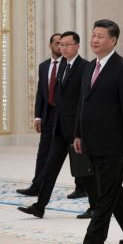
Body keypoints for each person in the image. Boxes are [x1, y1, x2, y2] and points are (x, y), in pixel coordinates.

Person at [73, 19, 123, 244]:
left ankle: (93, 240)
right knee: (111, 188)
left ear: (113, 40)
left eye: (100, 36)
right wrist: (78, 133)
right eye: (93, 35)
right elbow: (82, 103)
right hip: (89, 142)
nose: (94, 40)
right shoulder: (89, 67)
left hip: (113, 144)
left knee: (104, 197)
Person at [17, 31, 96, 219]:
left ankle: (95, 207)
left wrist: (80, 130)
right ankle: (40, 206)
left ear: (77, 46)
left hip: (76, 129)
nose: (63, 48)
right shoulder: (61, 66)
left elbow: (84, 100)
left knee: (83, 170)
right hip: (59, 128)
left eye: (67, 44)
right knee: (50, 167)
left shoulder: (85, 67)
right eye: (61, 45)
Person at [16, 33, 65, 197]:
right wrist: (38, 116)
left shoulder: (70, 66)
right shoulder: (43, 66)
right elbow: (40, 93)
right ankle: (37, 185)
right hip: (48, 114)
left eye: (63, 43)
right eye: (57, 43)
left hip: (66, 116)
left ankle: (82, 187)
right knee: (43, 151)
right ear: (50, 45)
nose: (60, 46)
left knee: (74, 152)